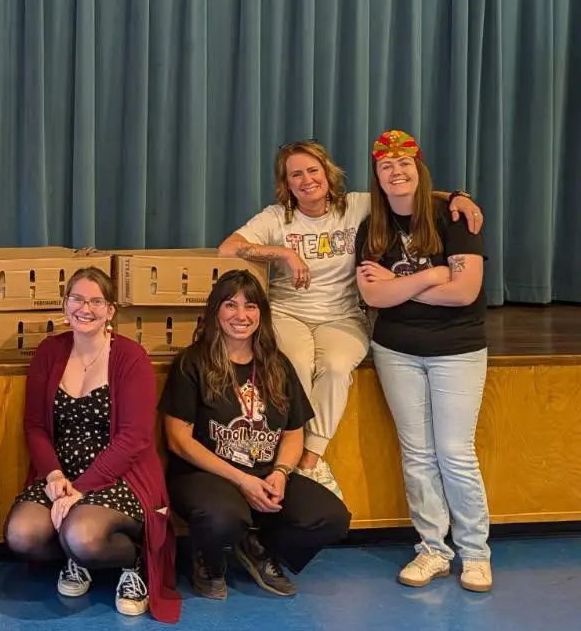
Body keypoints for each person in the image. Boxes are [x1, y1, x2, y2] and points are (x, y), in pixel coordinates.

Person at [220, 140, 482, 499]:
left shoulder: (357, 205)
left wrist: (458, 197)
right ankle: (285, 454)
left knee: (336, 365)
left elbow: (408, 191)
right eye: (296, 174)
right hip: (288, 313)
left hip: (342, 316)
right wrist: (281, 252)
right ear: (286, 182)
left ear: (328, 173)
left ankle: (310, 460)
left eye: (313, 170)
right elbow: (228, 248)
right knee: (294, 362)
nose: (307, 180)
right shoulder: (276, 216)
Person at [355, 129, 492, 592]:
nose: (397, 172)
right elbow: (373, 294)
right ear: (377, 175)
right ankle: (432, 548)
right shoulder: (371, 227)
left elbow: (464, 291)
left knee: (454, 453)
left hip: (457, 350)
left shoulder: (452, 216)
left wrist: (404, 285)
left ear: (419, 169)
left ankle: (475, 553)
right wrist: (434, 273)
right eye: (386, 166)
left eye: (405, 164)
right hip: (396, 351)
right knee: (417, 455)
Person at [161, 270, 351, 601]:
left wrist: (280, 472)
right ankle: (208, 560)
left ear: (261, 313)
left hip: (264, 471)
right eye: (230, 305)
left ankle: (257, 547)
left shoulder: (277, 364)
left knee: (331, 518)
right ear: (215, 311)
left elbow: (294, 431)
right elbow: (178, 440)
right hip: (206, 474)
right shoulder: (192, 363)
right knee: (223, 517)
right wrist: (241, 480)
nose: (241, 316)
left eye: (250, 306)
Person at [3, 267, 179, 622]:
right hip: (61, 474)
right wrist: (54, 476)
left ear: (111, 310)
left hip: (119, 476)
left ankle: (132, 563)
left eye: (97, 301)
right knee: (21, 535)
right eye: (78, 299)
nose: (86, 308)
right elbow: (35, 426)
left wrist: (80, 490)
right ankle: (75, 556)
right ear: (65, 305)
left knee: (84, 536)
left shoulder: (131, 357)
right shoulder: (49, 352)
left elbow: (135, 438)